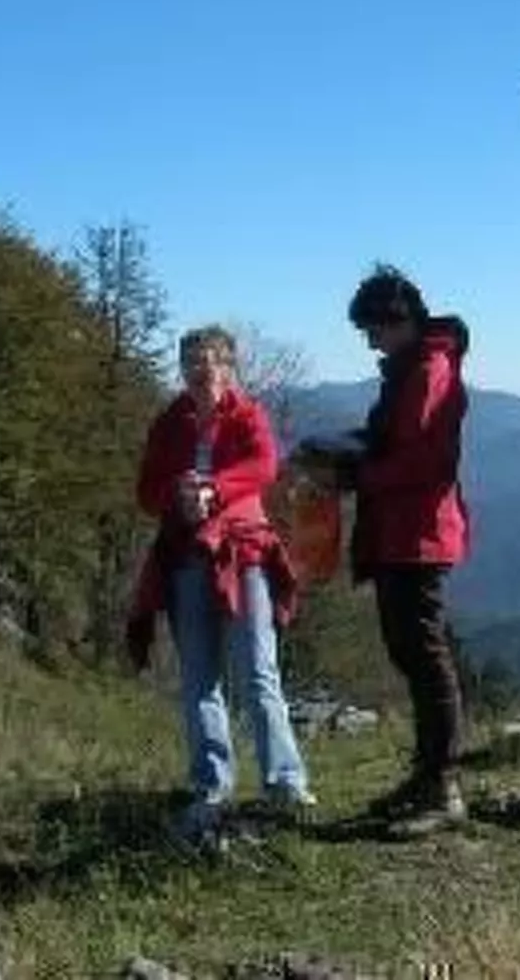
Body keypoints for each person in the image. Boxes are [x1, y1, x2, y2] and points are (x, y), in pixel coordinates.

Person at [299, 264, 471, 832]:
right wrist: (340, 450)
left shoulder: (427, 371)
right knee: (411, 651)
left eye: (373, 330)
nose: (370, 342)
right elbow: (392, 442)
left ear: (398, 321)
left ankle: (441, 786)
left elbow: (424, 461)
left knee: (423, 654)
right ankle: (428, 777)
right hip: (404, 529)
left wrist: (353, 476)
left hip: (417, 533)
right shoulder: (410, 369)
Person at [125, 325, 314, 840]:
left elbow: (263, 466)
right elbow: (147, 489)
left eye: (210, 363)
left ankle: (286, 782)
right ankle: (212, 783)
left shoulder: (247, 414)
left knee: (257, 668)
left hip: (243, 550)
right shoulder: (169, 423)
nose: (200, 373)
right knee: (199, 676)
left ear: (229, 369)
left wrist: (214, 488)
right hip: (187, 555)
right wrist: (178, 493)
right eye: (191, 364)